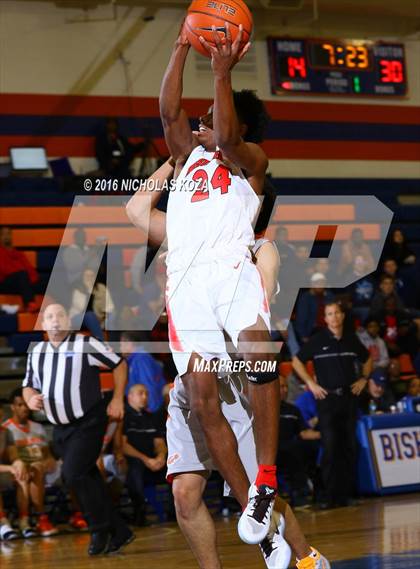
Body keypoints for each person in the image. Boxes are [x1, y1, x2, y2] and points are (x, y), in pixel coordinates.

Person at [127, 163, 330, 569]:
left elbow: (263, 301)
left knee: (256, 493)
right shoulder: (189, 233)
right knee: (185, 493)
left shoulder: (259, 248)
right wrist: (175, 158)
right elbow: (136, 209)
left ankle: (307, 559)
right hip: (193, 381)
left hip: (235, 382)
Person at [159, 23, 279, 543]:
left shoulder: (251, 162)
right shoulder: (186, 157)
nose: (203, 122)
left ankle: (267, 481)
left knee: (258, 353)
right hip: (185, 283)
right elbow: (168, 113)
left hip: (231, 269)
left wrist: (222, 74)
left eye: (211, 115)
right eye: (203, 117)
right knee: (201, 396)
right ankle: (255, 510)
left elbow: (229, 138)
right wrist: (180, 48)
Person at [22, 303, 133, 555]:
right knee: (87, 476)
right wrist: (30, 399)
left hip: (88, 422)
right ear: (42, 323)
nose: (55, 320)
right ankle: (119, 530)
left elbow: (119, 363)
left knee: (72, 474)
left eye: (61, 315)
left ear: (69, 321)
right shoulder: (37, 351)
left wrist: (117, 399)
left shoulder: (84, 343)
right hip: (60, 429)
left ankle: (98, 528)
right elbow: (28, 385)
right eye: (49, 316)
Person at [292, 302, 372, 509]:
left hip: (349, 398)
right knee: (330, 447)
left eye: (337, 313)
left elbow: (368, 358)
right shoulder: (317, 341)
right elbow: (296, 361)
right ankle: (329, 497)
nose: (334, 317)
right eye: (329, 314)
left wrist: (364, 378)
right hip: (327, 401)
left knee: (348, 447)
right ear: (325, 319)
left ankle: (347, 495)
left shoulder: (352, 340)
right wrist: (310, 383)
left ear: (342, 316)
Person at [3, 388, 58, 537]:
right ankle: (41, 518)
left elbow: (47, 453)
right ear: (12, 407)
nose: (24, 408)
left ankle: (79, 514)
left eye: (26, 404)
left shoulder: (38, 427)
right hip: (22, 470)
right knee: (33, 471)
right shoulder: (6, 429)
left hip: (41, 466)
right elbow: (10, 457)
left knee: (74, 469)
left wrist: (49, 459)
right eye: (20, 405)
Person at [122, 384, 167, 526]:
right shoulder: (123, 416)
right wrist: (146, 459)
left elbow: (159, 442)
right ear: (130, 396)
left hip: (152, 461)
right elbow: (123, 446)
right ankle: (139, 514)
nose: (145, 397)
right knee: (135, 468)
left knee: (175, 468)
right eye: (140, 393)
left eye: (146, 393)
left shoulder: (151, 417)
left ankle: (174, 512)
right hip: (134, 462)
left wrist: (161, 457)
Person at [277, 375, 320, 508]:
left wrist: (326, 435)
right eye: (280, 387)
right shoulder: (260, 409)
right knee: (294, 450)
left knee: (308, 448)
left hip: (291, 449)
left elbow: (303, 433)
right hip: (268, 450)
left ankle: (306, 495)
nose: (284, 390)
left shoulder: (293, 410)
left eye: (286, 387)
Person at [120, 331, 167, 413]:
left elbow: (148, 385)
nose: (120, 348)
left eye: (121, 345)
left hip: (150, 410)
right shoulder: (138, 358)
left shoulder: (140, 359)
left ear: (129, 344)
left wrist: (149, 411)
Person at [69, 267, 115, 341]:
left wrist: (107, 316)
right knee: (89, 315)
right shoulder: (78, 289)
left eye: (92, 276)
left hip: (99, 318)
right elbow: (83, 308)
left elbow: (110, 306)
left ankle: (113, 344)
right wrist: (89, 290)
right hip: (78, 318)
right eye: (86, 275)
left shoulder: (102, 288)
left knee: (112, 316)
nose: (89, 278)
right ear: (82, 277)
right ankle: (101, 343)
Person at [0, 426, 28, 540]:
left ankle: (23, 521)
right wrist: (10, 468)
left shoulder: (5, 432)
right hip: (3, 469)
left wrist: (19, 463)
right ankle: (2, 523)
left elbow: (13, 456)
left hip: (3, 470)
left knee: (21, 475)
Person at [0, 226, 38, 311]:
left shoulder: (19, 253)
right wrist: (22, 274)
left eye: (8, 234)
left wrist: (29, 281)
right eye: (3, 234)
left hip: (22, 282)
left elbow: (31, 270)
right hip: (5, 283)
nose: (6, 236)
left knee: (49, 281)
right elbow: (4, 271)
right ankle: (29, 304)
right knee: (22, 274)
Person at [295, 273, 334, 343]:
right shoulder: (305, 298)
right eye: (317, 283)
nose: (320, 285)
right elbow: (301, 319)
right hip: (313, 330)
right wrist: (303, 336)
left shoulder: (329, 295)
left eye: (322, 283)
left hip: (329, 328)